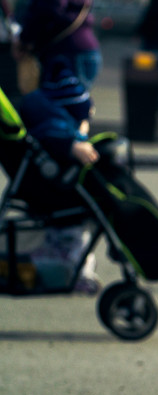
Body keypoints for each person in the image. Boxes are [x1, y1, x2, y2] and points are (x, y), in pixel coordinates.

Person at [17, 58, 101, 293]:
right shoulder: (55, 123)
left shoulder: (43, 108)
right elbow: (55, 134)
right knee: (78, 230)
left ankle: (74, 267)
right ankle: (74, 272)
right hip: (58, 188)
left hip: (49, 184)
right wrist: (75, 143)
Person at [14, 0, 101, 89]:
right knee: (75, 100)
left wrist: (25, 39)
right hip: (83, 49)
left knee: (61, 99)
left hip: (65, 52)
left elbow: (49, 9)